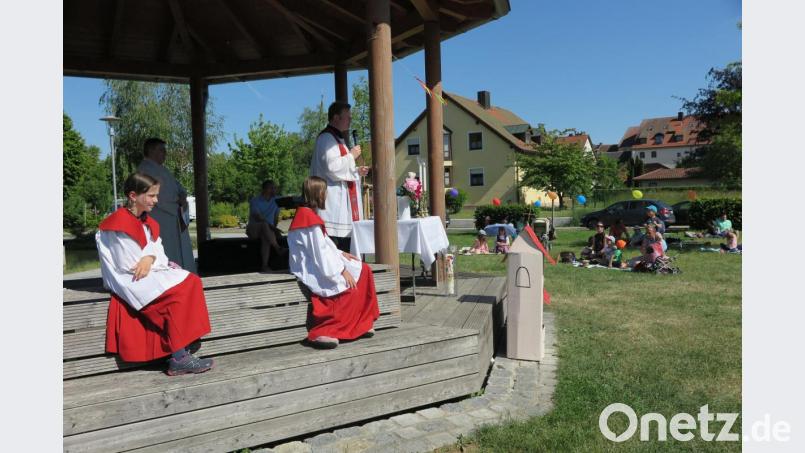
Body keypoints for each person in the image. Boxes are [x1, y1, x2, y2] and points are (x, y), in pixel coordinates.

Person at [95, 173, 213, 375]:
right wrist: (150, 258)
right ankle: (179, 357)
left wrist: (150, 258)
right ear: (133, 196)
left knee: (192, 281)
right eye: (151, 195)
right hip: (129, 278)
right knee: (179, 291)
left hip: (149, 271)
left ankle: (181, 348)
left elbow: (156, 251)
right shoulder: (117, 224)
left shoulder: (146, 221)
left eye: (156, 195)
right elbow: (129, 264)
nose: (156, 200)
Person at [287, 176, 379, 349]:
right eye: (325, 192)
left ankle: (361, 323)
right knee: (345, 283)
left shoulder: (308, 215)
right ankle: (325, 330)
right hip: (312, 266)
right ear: (318, 194)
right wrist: (342, 270)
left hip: (321, 260)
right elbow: (319, 254)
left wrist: (341, 253)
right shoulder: (307, 219)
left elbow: (324, 245)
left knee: (364, 270)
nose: (326, 195)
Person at [309, 102, 370, 252]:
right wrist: (352, 155)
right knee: (336, 250)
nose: (350, 120)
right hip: (333, 207)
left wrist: (356, 171)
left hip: (341, 207)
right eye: (348, 117)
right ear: (336, 118)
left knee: (346, 250)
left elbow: (340, 167)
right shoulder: (326, 139)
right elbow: (332, 167)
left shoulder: (337, 139)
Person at [137, 138, 196, 273]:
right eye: (161, 150)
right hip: (161, 219)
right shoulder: (146, 171)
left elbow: (178, 188)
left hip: (171, 219)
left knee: (177, 255)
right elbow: (162, 197)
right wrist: (178, 201)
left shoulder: (161, 169)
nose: (165, 153)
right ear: (151, 151)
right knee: (168, 254)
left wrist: (182, 196)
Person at [246, 180, 288, 272]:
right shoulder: (255, 201)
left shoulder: (276, 200)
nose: (274, 190)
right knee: (264, 225)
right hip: (253, 229)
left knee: (266, 238)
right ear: (264, 189)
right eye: (271, 188)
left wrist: (273, 230)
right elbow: (258, 217)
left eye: (275, 188)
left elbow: (275, 218)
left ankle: (265, 266)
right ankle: (278, 248)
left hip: (267, 230)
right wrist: (273, 228)